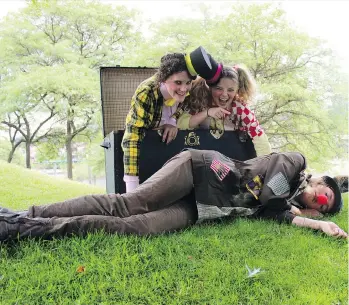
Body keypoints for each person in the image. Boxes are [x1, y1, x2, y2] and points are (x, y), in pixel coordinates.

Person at [0, 149, 347, 242]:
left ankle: (23, 228)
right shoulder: (294, 164)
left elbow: (279, 213)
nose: (321, 200)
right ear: (319, 182)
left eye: (326, 206)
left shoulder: (282, 206)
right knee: (129, 203)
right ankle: (24, 211)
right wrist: (294, 206)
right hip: (200, 169)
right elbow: (270, 191)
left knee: (139, 227)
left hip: (205, 207)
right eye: (324, 194)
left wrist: (319, 226)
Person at [122, 46, 222, 192]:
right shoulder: (146, 92)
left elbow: (183, 105)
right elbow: (133, 137)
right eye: (178, 83)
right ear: (164, 79)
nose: (184, 89)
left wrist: (172, 122)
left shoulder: (187, 90)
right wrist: (132, 188)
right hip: (146, 150)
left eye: (188, 83)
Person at [176, 65, 272, 157]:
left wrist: (264, 169)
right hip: (201, 155)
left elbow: (260, 138)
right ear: (210, 87)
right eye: (219, 89)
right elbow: (180, 124)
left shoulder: (240, 109)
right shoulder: (199, 102)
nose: (224, 95)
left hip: (231, 157)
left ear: (237, 90)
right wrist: (207, 113)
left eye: (230, 90)